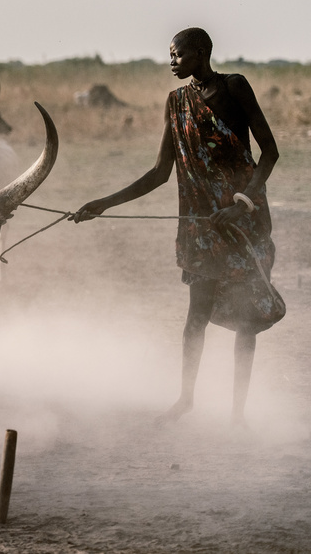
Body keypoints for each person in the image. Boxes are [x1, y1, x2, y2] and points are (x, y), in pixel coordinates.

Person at [72, 27, 281, 425]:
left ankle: (238, 414)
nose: (172, 62)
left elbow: (269, 151)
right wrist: (102, 204)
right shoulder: (176, 102)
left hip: (243, 223)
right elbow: (158, 173)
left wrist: (243, 202)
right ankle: (186, 400)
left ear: (201, 53)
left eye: (178, 55)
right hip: (202, 228)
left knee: (247, 318)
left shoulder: (235, 87)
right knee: (195, 317)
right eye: (170, 56)